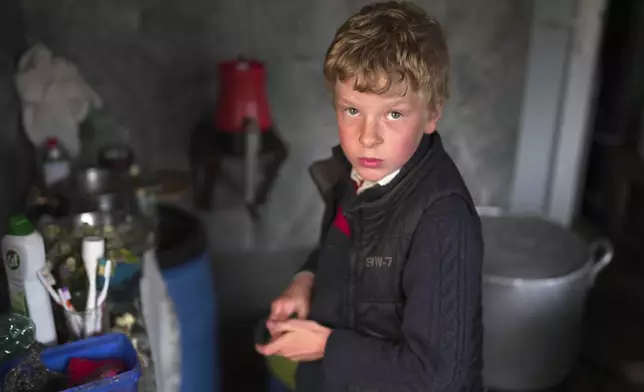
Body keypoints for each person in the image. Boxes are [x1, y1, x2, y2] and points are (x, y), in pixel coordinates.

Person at [256, 1, 484, 391]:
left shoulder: (443, 223)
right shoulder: (362, 173)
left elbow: (441, 377)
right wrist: (306, 279)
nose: (368, 136)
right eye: (352, 110)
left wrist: (326, 346)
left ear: (432, 114)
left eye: (393, 114)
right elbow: (342, 241)